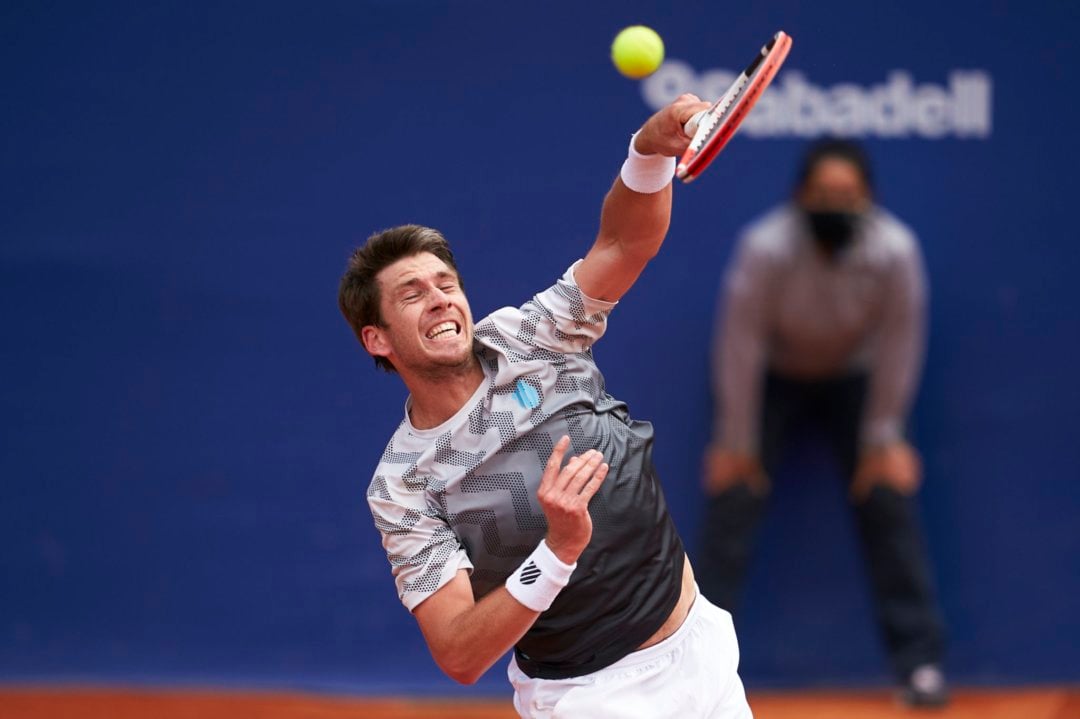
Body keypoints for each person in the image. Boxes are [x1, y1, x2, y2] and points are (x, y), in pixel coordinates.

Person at [338, 95, 753, 718]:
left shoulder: (527, 337)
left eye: (446, 284)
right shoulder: (404, 485)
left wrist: (647, 150)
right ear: (378, 338)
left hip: (700, 644)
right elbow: (458, 653)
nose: (440, 299)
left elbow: (623, 242)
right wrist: (555, 553)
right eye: (411, 294)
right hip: (592, 698)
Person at [697, 139, 949, 707]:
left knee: (887, 498)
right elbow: (740, 344)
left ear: (869, 199)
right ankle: (694, 669)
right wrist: (736, 441)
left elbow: (899, 345)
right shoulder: (764, 248)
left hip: (857, 382)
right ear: (799, 197)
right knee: (733, 499)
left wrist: (884, 436)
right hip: (774, 379)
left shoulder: (896, 250)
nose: (835, 203)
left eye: (847, 194)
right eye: (823, 193)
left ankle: (920, 665)